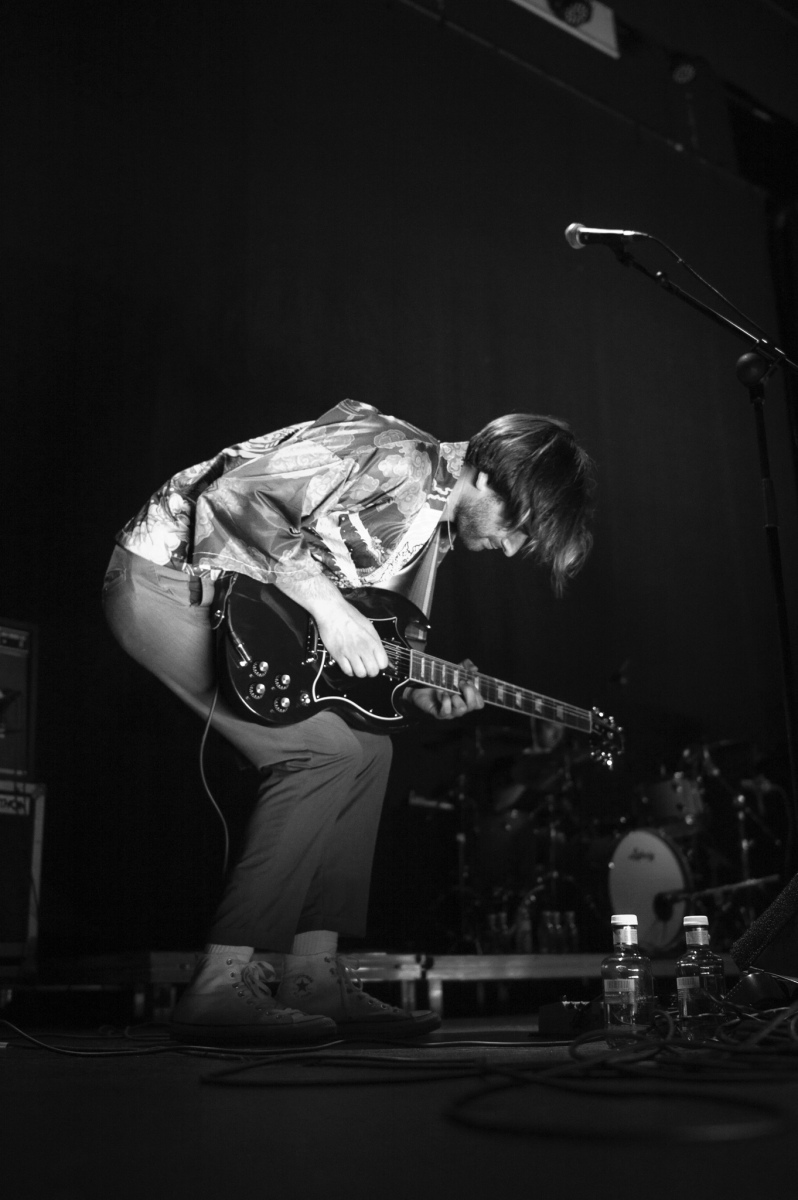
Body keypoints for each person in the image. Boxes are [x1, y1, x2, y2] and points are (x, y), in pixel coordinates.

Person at [102, 398, 594, 1044]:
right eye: (518, 526)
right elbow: (235, 497)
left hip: (240, 617)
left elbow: (349, 640)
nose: (510, 548)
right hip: (168, 583)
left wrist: (418, 693)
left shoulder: (432, 533)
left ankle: (312, 975)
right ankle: (221, 979)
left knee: (370, 752)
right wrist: (332, 611)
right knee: (322, 753)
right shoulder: (393, 454)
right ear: (485, 476)